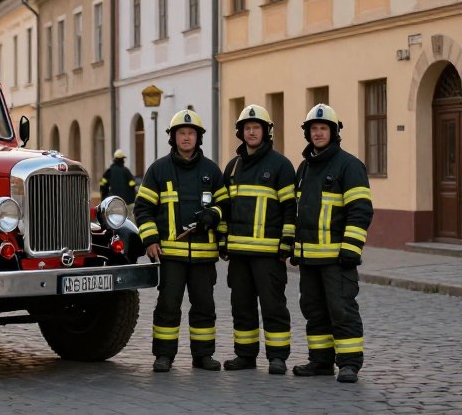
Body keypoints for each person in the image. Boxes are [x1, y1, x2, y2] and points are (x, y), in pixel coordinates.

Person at [134, 109, 228, 373]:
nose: (186, 138)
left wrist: (214, 214)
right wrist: (151, 240)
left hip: (203, 256)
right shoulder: (158, 170)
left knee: (204, 307)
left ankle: (203, 355)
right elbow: (143, 208)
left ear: (198, 138)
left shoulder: (211, 170)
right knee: (168, 306)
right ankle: (164, 355)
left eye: (191, 133)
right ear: (173, 138)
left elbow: (226, 205)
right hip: (170, 255)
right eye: (181, 133)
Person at [291, 104, 373, 384]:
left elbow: (360, 210)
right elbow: (299, 212)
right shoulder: (304, 168)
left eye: (323, 128)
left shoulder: (349, 165)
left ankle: (349, 363)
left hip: (337, 258)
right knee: (313, 311)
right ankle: (320, 361)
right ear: (308, 133)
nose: (318, 133)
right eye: (314, 129)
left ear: (334, 132)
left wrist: (351, 248)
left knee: (342, 310)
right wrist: (295, 247)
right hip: (309, 258)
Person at [217, 105, 296, 375]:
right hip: (239, 255)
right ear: (241, 132)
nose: (251, 132)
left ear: (266, 132)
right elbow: (225, 208)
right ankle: (245, 355)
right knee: (242, 307)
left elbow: (290, 208)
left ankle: (278, 357)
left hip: (269, 255)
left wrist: (286, 244)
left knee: (273, 307)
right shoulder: (233, 167)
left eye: (256, 128)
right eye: (247, 128)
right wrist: (223, 240)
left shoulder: (281, 166)